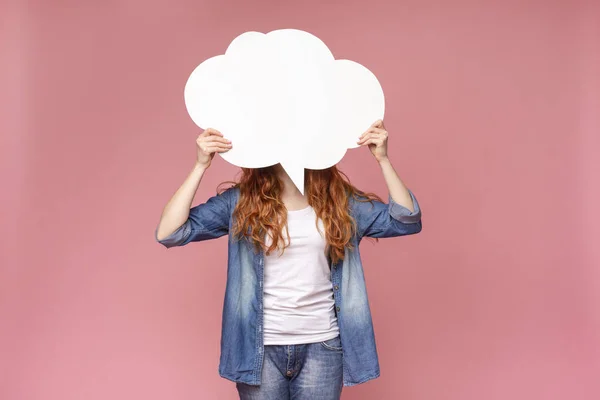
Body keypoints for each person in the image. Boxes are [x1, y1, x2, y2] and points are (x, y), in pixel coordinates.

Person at [155, 120, 422, 400]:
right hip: (259, 349)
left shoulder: (340, 202)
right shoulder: (241, 203)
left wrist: (383, 159)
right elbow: (170, 232)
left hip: (322, 345)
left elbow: (405, 220)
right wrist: (200, 166)